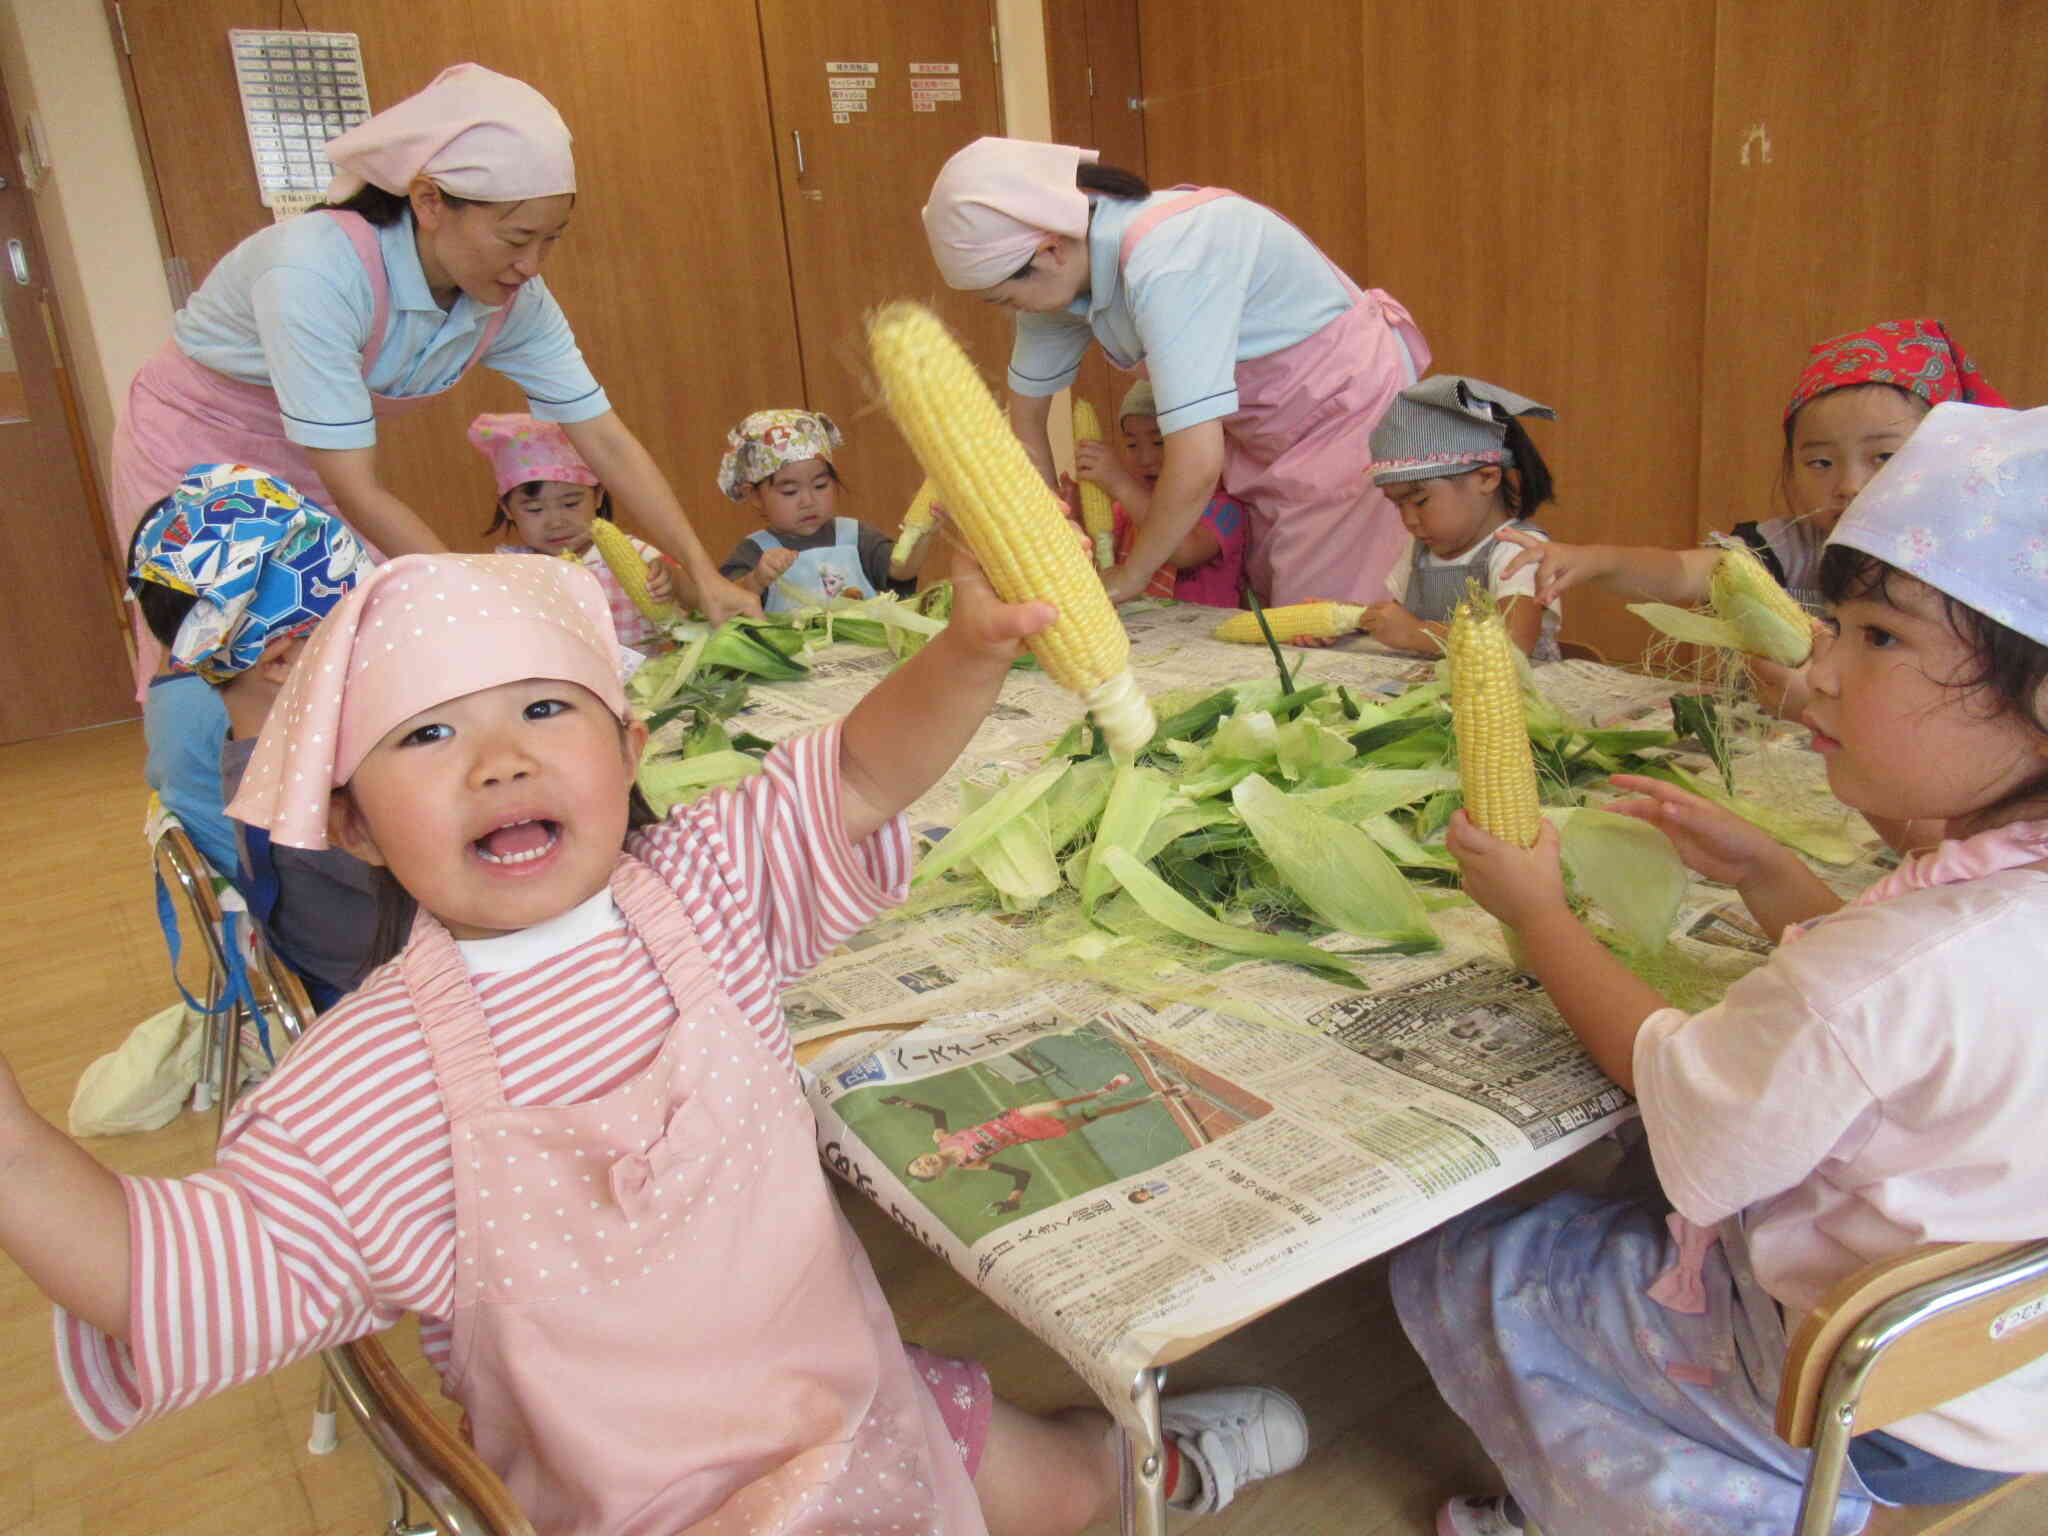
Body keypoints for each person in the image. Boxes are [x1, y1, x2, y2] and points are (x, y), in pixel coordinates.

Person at [6, 551, 1306, 1532]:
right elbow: (163, 1271)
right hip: (643, 1511)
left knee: (1068, 1482)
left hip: (848, 1398)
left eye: (544, 712)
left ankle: (1149, 1464)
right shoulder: (371, 1083)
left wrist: (971, 648)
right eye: (431, 735)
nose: (500, 762)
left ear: (629, 752)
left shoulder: (705, 887)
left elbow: (854, 776)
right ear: (351, 823)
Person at [1396, 402, 2048, 1536]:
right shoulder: (1987, 909)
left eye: (1875, 638)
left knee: (1467, 1264)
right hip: (2004, 1372)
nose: (1819, 674)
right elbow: (1914, 1016)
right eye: (1830, 626)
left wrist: (1541, 916)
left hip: (1861, 1398)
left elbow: (1687, 1105)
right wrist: (1767, 874)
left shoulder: (1884, 978)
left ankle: (1680, 1503)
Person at [109, 61, 755, 696]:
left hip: (323, 463)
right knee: (222, 660)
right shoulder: (315, 271)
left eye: (551, 239)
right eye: (516, 237)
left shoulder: (512, 300)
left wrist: (703, 572)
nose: (532, 265)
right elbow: (356, 491)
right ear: (428, 201)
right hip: (198, 456)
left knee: (346, 658)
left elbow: (604, 440)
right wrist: (486, 603)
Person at [921, 136, 1429, 608]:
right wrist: (1048, 544)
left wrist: (1130, 575)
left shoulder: (1169, 258)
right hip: (1262, 427)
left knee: (1320, 610)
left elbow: (1197, 458)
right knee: (1266, 592)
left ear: (1050, 251)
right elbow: (1026, 423)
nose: (1009, 312)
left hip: (1343, 412)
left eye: (1004, 298)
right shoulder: (1059, 282)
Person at [1495, 317, 2006, 619]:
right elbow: (1681, 573)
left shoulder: (1978, 568)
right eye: (1820, 462)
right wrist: (1599, 560)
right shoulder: (1794, 548)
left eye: (1885, 457)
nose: (1850, 486)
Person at [129, 466, 377, 1008]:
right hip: (392, 1010)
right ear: (284, 660)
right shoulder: (318, 794)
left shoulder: (264, 753)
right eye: (363, 626)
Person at [1348, 375, 1563, 660]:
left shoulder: (1519, 549)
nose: (1409, 520)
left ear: (1486, 478)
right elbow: (1397, 622)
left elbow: (1512, 642)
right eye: (1397, 505)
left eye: (1420, 500)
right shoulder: (1419, 552)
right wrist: (1347, 624)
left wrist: (1417, 633)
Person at [469, 411, 677, 652]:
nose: (556, 522)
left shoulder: (639, 553)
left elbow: (694, 603)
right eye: (535, 509)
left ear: (598, 496)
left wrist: (673, 583)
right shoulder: (508, 570)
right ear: (507, 509)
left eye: (570, 504)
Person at [715, 408, 938, 612]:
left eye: (820, 486)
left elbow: (901, 571)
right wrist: (756, 580)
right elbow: (722, 604)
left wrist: (925, 529)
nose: (808, 501)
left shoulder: (855, 536)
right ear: (755, 497)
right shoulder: (754, 551)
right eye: (790, 492)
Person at [887, 1073, 1190, 1212]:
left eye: (919, 1162)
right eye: (925, 1171)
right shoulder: (971, 1164)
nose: (924, 1164)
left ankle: (1102, 1088)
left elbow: (937, 1112)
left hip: (1013, 1118)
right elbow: (1022, 1175)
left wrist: (904, 1103)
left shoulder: (941, 1138)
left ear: (924, 1153)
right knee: (1097, 1114)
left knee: (1057, 1102)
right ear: (939, 1175)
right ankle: (1156, 1096)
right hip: (1030, 1133)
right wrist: (1014, 1199)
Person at [1072, 379, 1248, 607]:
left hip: (1200, 637)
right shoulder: (1124, 510)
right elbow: (1097, 562)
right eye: (1132, 445)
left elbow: (1183, 551)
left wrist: (1120, 484)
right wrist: (1075, 518)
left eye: (1158, 442)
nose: (1146, 459)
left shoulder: (1226, 508)